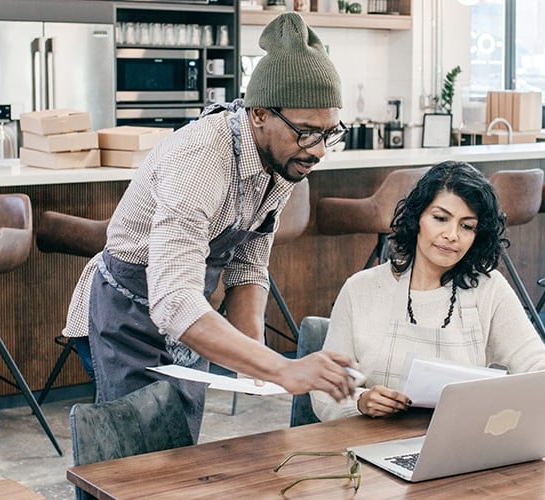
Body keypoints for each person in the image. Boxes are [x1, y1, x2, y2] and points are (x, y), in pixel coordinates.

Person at [62, 12, 357, 441]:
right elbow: (173, 301)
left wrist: (252, 355)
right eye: (307, 133)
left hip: (188, 318)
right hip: (129, 315)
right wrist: (281, 367)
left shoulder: (283, 160)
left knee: (179, 444)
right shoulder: (201, 158)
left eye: (329, 133)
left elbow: (248, 267)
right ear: (259, 113)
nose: (318, 151)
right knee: (135, 455)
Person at [311, 161, 545, 441]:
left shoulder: (489, 289)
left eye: (467, 226)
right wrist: (361, 401)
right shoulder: (361, 290)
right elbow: (324, 391)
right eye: (440, 218)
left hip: (465, 444)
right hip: (373, 448)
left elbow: (536, 361)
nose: (452, 235)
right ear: (417, 219)